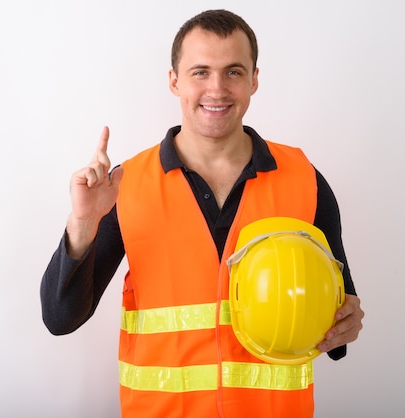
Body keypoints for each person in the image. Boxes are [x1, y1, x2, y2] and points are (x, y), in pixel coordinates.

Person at [40, 9, 364, 418]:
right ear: (174, 81)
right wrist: (83, 224)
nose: (217, 89)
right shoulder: (125, 186)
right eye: (200, 72)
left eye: (233, 72)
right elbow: (60, 319)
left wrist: (345, 325)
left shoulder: (304, 179)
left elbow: (339, 325)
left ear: (254, 80)